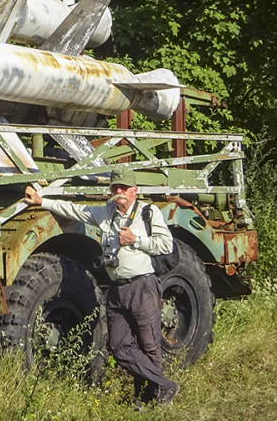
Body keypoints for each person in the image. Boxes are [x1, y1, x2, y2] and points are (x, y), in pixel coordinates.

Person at [23, 168, 179, 407]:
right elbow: (74, 210)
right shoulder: (106, 213)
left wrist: (136, 240)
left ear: (134, 190)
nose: (119, 192)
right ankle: (165, 385)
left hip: (142, 286)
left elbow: (166, 245)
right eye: (115, 188)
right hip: (117, 289)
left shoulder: (148, 213)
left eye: (124, 188)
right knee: (119, 346)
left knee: (149, 345)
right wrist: (42, 201)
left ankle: (149, 396)